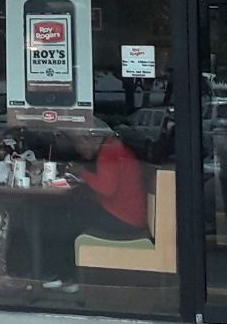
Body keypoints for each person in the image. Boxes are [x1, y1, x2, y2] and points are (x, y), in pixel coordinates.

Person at [40, 125, 149, 292]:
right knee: (69, 217)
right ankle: (65, 275)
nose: (80, 152)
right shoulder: (113, 148)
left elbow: (107, 189)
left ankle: (64, 276)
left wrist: (82, 172)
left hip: (125, 217)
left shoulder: (109, 152)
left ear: (86, 139)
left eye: (78, 146)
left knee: (63, 222)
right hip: (127, 213)